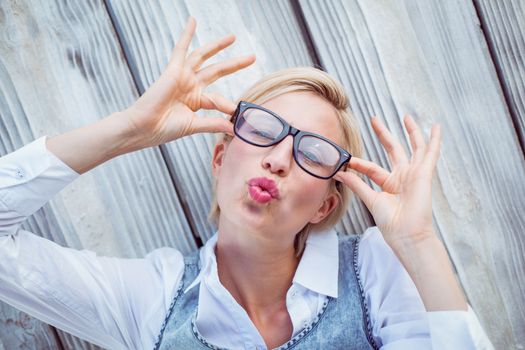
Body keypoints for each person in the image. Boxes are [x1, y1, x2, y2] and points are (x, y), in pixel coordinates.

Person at [0, 17, 493, 350]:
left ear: (324, 206)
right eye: (263, 130)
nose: (279, 159)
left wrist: (418, 243)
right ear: (220, 157)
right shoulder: (153, 300)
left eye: (312, 153)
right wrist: (130, 129)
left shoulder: (374, 273)